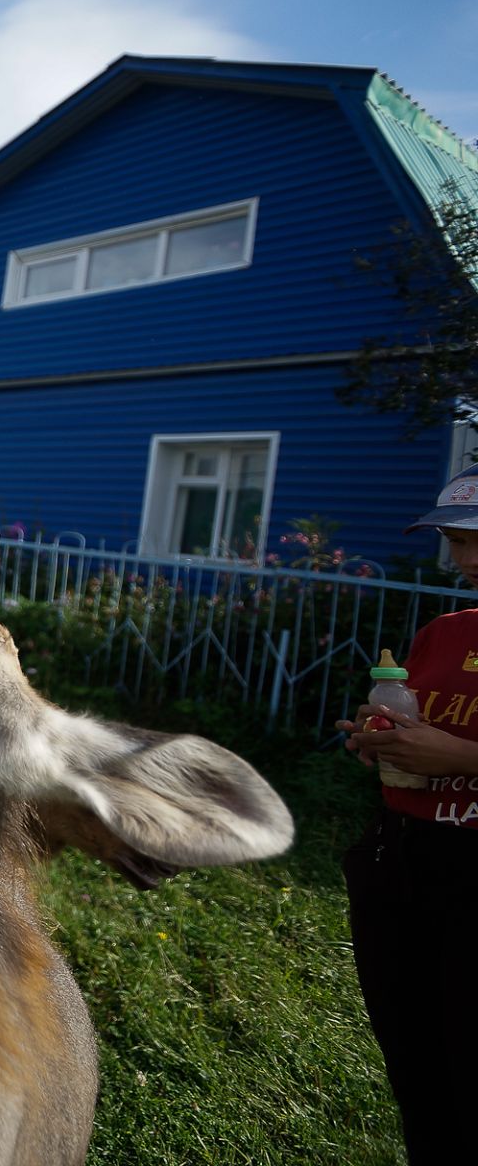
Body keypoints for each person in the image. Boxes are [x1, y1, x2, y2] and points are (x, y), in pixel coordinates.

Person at [337, 459, 478, 1165]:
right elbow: (420, 727)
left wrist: (462, 760)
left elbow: (455, 749)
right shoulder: (444, 633)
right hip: (402, 865)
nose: (466, 559)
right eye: (456, 540)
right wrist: (381, 739)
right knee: (418, 1072)